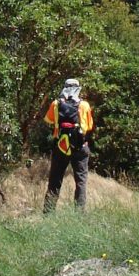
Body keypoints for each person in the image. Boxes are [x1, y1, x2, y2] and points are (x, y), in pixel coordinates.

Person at [43, 78, 94, 212]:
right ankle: (79, 214)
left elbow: (48, 120)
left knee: (54, 181)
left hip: (60, 147)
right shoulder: (84, 105)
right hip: (80, 148)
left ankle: (48, 212)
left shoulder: (56, 104)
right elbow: (89, 126)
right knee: (81, 181)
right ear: (78, 88)